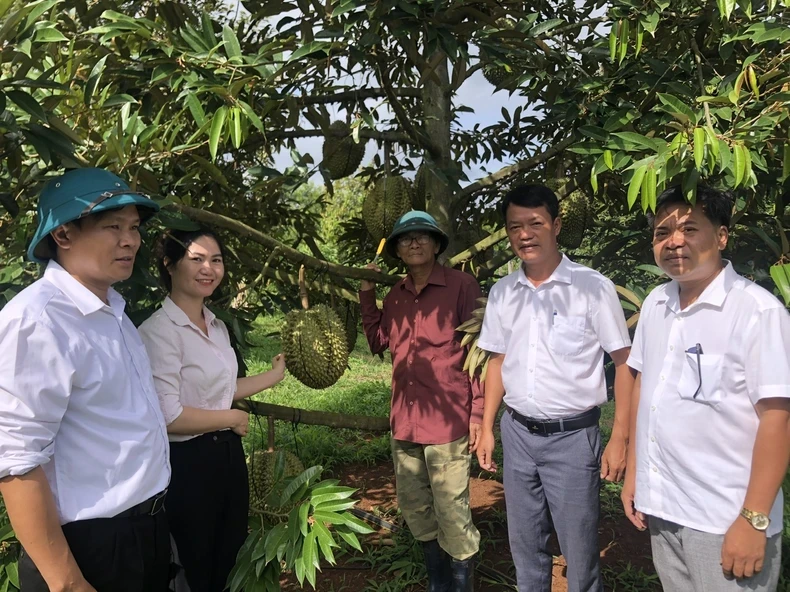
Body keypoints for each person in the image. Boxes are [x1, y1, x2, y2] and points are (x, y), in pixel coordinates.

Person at [0, 168, 171, 592]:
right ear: (63, 235)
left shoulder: (112, 310)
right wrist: (68, 583)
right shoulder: (37, 321)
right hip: (87, 548)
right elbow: (16, 463)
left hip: (143, 532)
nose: (130, 240)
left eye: (133, 227)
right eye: (112, 226)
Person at [620, 186, 790, 591]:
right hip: (665, 509)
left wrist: (753, 519)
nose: (674, 241)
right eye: (662, 233)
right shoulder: (657, 304)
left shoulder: (757, 312)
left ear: (722, 236)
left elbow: (778, 419)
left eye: (689, 229)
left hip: (725, 518)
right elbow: (645, 386)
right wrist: (635, 477)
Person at [475, 184, 634, 592]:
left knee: (580, 557)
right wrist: (488, 426)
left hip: (573, 439)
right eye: (514, 227)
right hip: (517, 434)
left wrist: (619, 438)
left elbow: (625, 364)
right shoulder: (503, 292)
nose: (524, 234)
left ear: (556, 225)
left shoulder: (592, 287)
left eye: (535, 223)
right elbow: (497, 361)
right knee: (525, 549)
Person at [138, 227, 286, 592]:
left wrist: (274, 375)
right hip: (186, 465)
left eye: (216, 260)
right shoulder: (159, 332)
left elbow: (221, 391)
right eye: (197, 259)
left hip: (227, 460)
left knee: (230, 557)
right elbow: (168, 416)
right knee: (193, 564)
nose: (209, 269)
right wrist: (232, 418)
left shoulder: (217, 325)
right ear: (169, 265)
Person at [360, 211, 483, 592]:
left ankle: (461, 584)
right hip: (405, 420)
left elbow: (480, 353)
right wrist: (367, 295)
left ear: (437, 244)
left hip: (447, 420)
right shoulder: (395, 295)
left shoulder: (463, 286)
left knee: (452, 510)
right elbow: (378, 341)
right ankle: (437, 582)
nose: (414, 242)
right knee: (415, 508)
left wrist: (478, 413)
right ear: (396, 248)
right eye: (405, 238)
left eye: (423, 236)